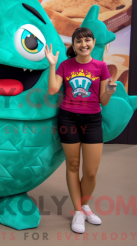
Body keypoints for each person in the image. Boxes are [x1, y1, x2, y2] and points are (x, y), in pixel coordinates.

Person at [45, 27, 117, 234]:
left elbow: (103, 100)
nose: (83, 44)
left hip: (93, 120)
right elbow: (52, 90)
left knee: (91, 173)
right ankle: (78, 211)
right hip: (68, 118)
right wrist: (52, 65)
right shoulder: (65, 65)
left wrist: (110, 90)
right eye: (79, 41)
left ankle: (85, 206)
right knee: (73, 165)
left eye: (87, 40)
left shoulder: (101, 67)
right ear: (74, 45)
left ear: (93, 42)